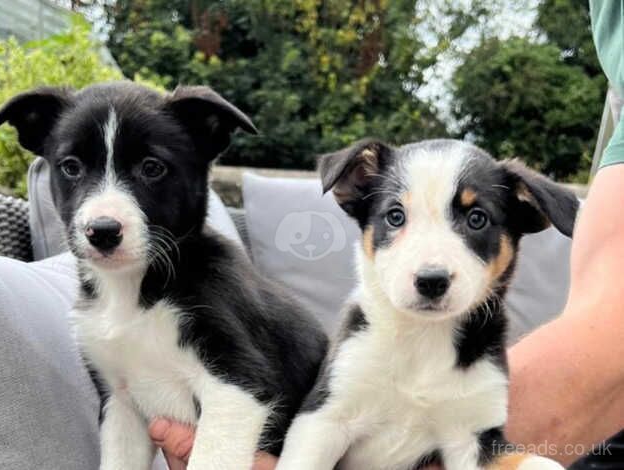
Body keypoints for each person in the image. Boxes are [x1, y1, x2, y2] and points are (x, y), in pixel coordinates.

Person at [150, 2, 624, 468]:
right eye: (397, 217)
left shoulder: (483, 365)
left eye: (475, 220)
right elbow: (324, 426)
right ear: (356, 197)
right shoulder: (358, 347)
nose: (432, 265)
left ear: (524, 218)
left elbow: (478, 452)